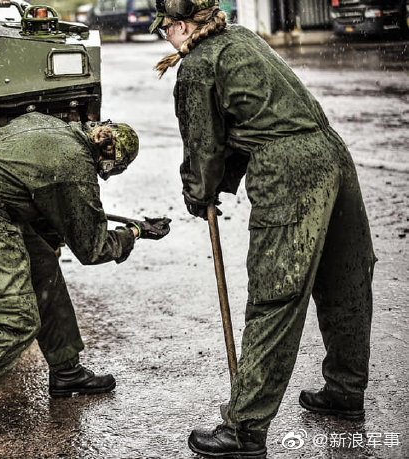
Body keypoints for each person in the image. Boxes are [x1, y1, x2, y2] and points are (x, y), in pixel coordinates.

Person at [150, 1, 375, 457]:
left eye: (164, 31)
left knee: (276, 294)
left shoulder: (197, 65)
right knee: (345, 279)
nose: (164, 39)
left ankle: (245, 429)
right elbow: (244, 118)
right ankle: (345, 392)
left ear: (178, 26)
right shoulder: (243, 39)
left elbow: (203, 143)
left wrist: (199, 191)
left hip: (288, 168)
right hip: (331, 154)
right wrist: (213, 182)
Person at [0, 112, 171, 446]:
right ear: (108, 159)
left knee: (44, 270)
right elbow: (92, 249)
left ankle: (66, 372)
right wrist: (134, 232)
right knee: (16, 320)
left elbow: (31, 182)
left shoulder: (54, 126)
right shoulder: (76, 168)